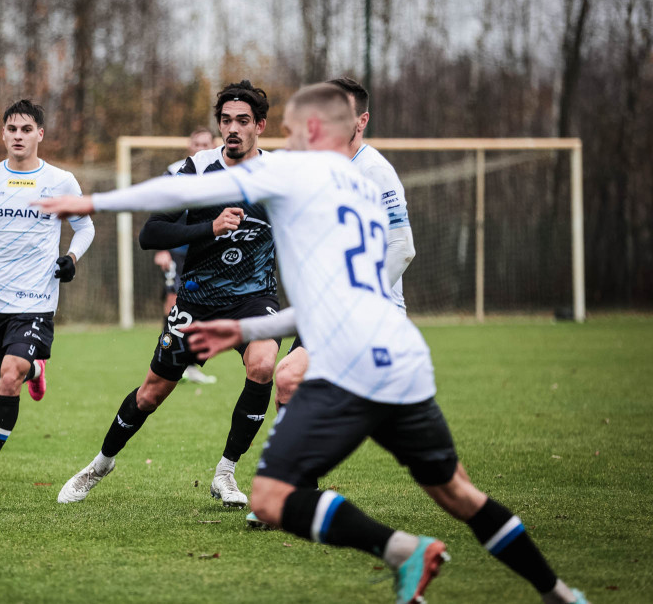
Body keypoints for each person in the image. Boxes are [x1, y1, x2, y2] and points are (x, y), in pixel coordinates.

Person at [36, 84, 587, 604]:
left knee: (272, 492)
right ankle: (559, 593)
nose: (287, 139)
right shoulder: (351, 187)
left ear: (314, 129)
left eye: (297, 128)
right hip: (401, 356)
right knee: (458, 493)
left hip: (347, 360)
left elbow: (185, 191)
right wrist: (245, 324)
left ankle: (403, 550)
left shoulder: (292, 177)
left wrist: (96, 203)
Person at [56, 80, 282, 508]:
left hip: (254, 298)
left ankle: (225, 473)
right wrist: (209, 228)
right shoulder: (194, 170)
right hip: (196, 300)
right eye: (226, 121)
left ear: (260, 127)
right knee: (150, 394)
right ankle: (100, 464)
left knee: (263, 365)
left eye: (243, 121)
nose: (232, 129)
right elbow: (151, 233)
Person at [0, 99, 95, 493]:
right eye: (12, 129)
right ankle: (36, 369)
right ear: (3, 134)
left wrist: (71, 258)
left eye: (26, 129)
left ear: (39, 135)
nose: (18, 136)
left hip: (36, 300)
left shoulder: (60, 181)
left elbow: (85, 228)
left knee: (9, 378)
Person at [273, 77, 415, 406]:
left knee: (289, 378)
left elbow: (403, 248)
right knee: (288, 383)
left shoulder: (374, 171)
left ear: (361, 121)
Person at [153, 126, 217, 385]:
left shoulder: (222, 171)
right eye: (196, 144)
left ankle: (190, 364)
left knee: (202, 306)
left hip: (207, 250)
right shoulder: (174, 171)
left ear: (214, 145)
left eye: (205, 144)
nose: (200, 149)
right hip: (177, 250)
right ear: (189, 147)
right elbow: (160, 210)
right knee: (173, 303)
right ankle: (165, 359)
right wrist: (161, 248)